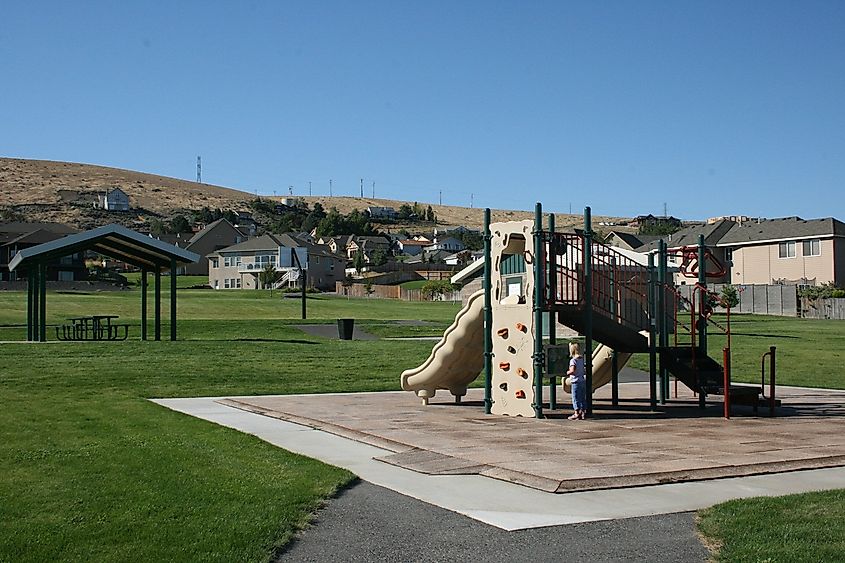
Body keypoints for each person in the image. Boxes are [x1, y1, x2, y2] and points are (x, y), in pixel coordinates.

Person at [566, 342, 586, 420]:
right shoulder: (581, 359)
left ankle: (576, 413)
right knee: (582, 397)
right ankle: (583, 412)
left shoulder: (573, 361)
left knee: (575, 398)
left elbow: (572, 370)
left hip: (575, 381)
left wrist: (567, 372)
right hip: (582, 380)